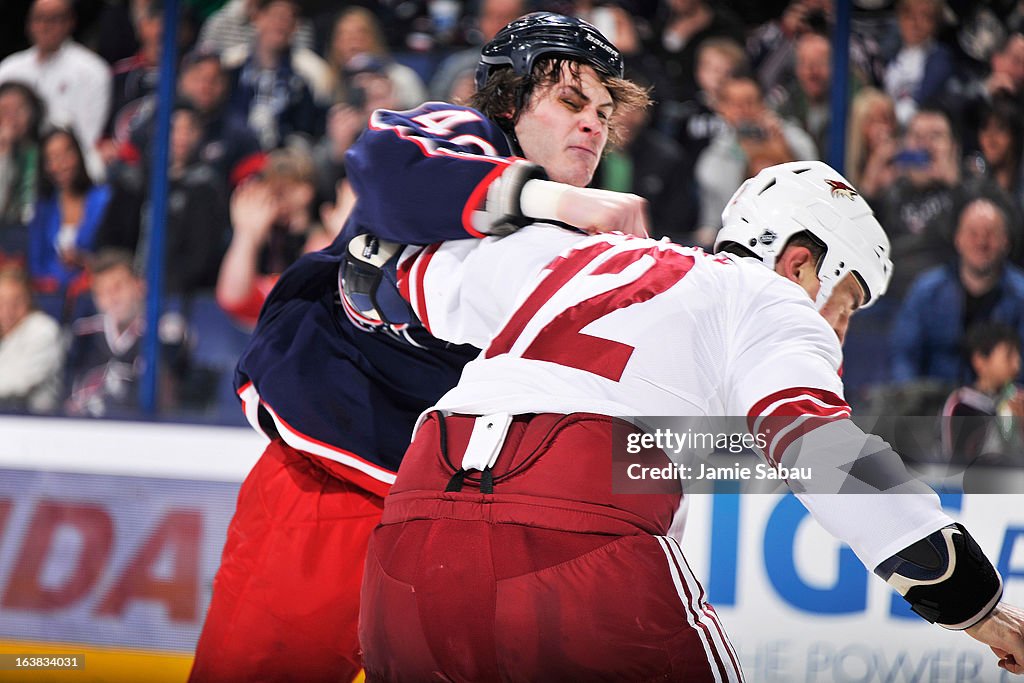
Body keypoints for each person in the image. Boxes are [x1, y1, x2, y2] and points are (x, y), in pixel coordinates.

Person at [358, 160, 1024, 680]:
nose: (841, 334)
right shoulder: (771, 299)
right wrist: (969, 595)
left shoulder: (568, 253)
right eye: (845, 303)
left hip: (411, 533)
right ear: (799, 262)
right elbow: (817, 446)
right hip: (579, 534)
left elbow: (381, 275)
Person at [188, 13, 650, 683]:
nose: (593, 125)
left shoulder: (587, 247)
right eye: (571, 101)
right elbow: (387, 169)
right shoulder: (462, 135)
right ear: (509, 100)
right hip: (333, 475)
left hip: (455, 519)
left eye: (604, 113)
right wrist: (557, 201)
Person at [891, 197, 1024, 385]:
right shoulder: (927, 291)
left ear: (1006, 242)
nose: (981, 242)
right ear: (958, 239)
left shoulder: (1020, 295)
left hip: (1001, 402)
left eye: (991, 234)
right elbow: (904, 356)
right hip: (934, 403)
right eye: (973, 233)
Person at [64, 248, 188, 418]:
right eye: (101, 292)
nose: (111, 297)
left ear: (140, 286)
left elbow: (166, 392)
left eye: (118, 287)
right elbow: (66, 387)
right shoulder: (83, 332)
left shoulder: (166, 329)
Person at [0, 0, 111, 180]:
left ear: (70, 22)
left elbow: (88, 136)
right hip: (12, 158)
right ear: (29, 24)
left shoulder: (92, 71)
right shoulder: (8, 69)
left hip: (67, 162)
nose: (45, 26)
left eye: (54, 19)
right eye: (39, 19)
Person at [27, 128, 112, 307]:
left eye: (67, 153)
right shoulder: (43, 209)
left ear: (79, 154)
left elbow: (115, 253)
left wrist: (84, 260)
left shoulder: (104, 198)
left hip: (95, 294)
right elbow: (36, 264)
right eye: (52, 158)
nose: (62, 163)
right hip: (52, 298)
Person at [941, 322, 1024, 467]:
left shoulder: (1019, 399)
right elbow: (956, 462)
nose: (1017, 364)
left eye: (1018, 355)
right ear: (980, 360)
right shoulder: (961, 405)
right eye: (1009, 356)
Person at [0, 264, 62, 413]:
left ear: (29, 299)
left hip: (36, 423)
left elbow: (18, 382)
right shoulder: (4, 332)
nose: (9, 309)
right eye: (2, 301)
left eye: (17, 300)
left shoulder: (43, 329)